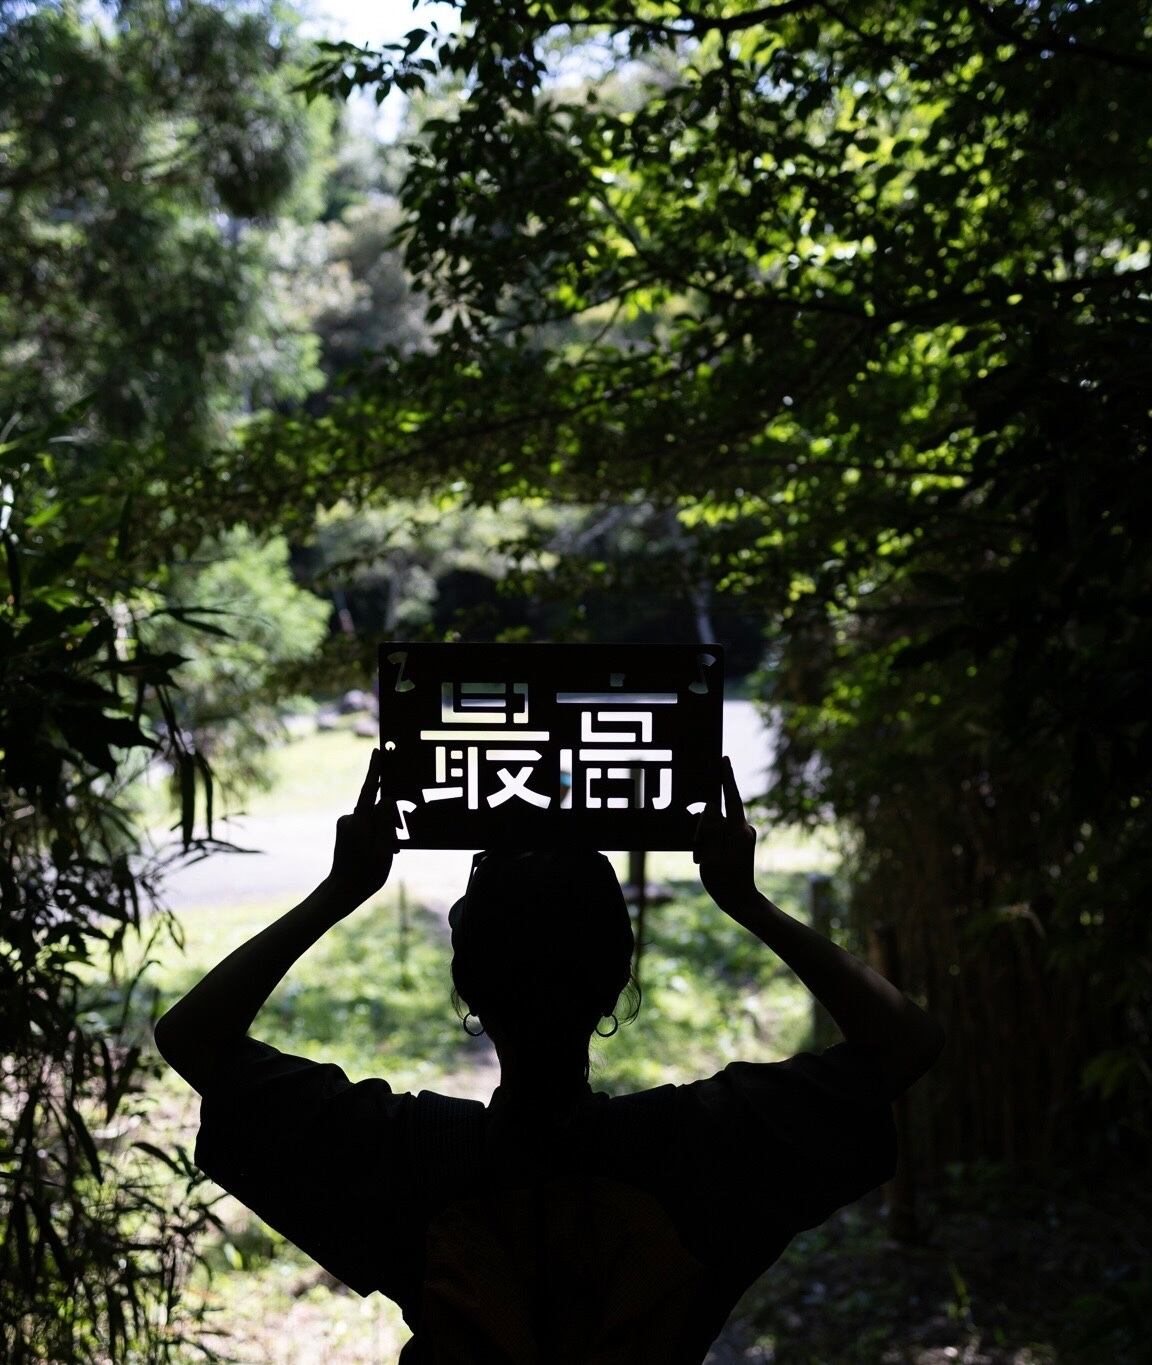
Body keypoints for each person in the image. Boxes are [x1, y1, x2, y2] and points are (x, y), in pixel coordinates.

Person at [155, 750, 944, 1363]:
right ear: (618, 982)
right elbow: (904, 1043)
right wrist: (748, 901)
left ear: (467, 986)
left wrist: (339, 890)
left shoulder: (413, 1158)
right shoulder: (699, 1145)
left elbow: (193, 1038)